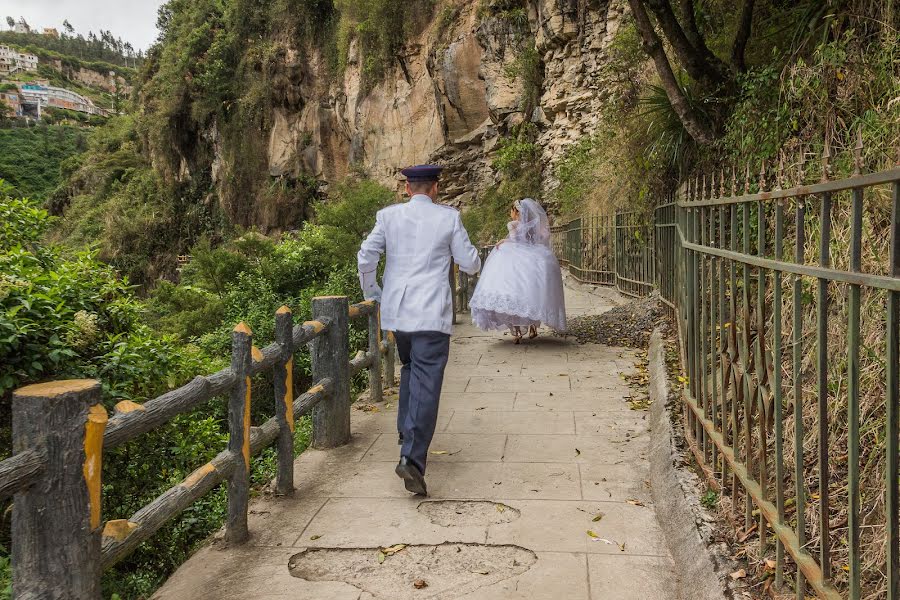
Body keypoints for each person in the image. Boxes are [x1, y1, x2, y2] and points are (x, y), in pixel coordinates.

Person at [357, 164, 481, 496]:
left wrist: (373, 291)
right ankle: (411, 458)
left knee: (411, 368)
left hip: (398, 313)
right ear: (436, 188)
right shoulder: (449, 218)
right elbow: (470, 263)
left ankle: (405, 431)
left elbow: (366, 256)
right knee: (427, 378)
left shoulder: (388, 217)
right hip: (430, 314)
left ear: (407, 189)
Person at [469, 198, 566, 342]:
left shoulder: (513, 224)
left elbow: (515, 241)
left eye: (511, 210)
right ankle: (533, 326)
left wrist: (504, 241)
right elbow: (540, 238)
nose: (510, 213)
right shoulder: (534, 226)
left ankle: (517, 332)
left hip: (516, 258)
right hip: (534, 257)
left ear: (516, 212)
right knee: (532, 294)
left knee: (513, 293)